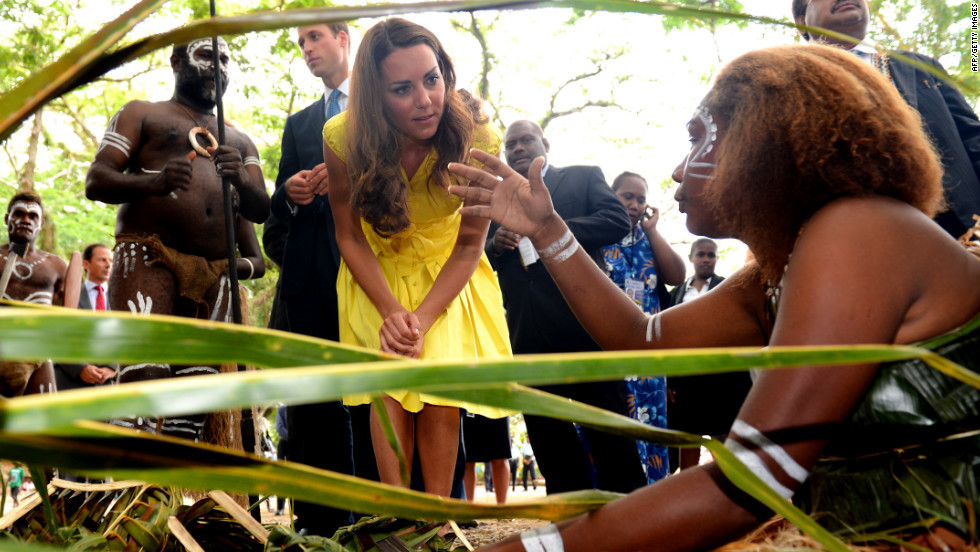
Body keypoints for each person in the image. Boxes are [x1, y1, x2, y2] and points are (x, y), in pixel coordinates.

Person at [449, 44, 980, 551]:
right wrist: (547, 231)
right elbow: (635, 337)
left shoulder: (858, 231)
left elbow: (746, 486)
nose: (678, 170)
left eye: (698, 137)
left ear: (767, 141)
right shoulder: (773, 274)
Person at [321, 18, 512, 504]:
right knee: (389, 387)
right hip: (375, 271)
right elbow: (349, 235)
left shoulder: (480, 139)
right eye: (402, 89)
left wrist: (422, 319)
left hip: (448, 271)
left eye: (433, 78)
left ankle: (439, 518)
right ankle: (398, 519)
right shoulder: (342, 137)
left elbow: (471, 244)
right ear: (375, 95)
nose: (425, 99)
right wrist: (390, 313)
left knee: (441, 390)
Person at [85, 37, 270, 440]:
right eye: (206, 55)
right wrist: (154, 182)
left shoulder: (239, 141)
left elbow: (260, 210)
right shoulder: (142, 113)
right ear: (176, 61)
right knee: (145, 376)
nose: (217, 67)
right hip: (150, 256)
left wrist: (240, 177)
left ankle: (167, 498)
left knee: (195, 393)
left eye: (224, 59)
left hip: (215, 274)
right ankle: (130, 496)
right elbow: (96, 180)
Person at [488, 119, 644, 496]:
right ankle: (569, 520)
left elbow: (616, 220)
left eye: (527, 140)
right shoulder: (497, 199)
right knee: (548, 436)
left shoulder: (581, 177)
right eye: (511, 145)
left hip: (584, 324)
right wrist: (496, 245)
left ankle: (631, 516)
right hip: (528, 333)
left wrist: (547, 227)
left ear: (546, 144)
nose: (519, 148)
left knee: (607, 428)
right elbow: (482, 259)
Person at [263, 21, 362, 536]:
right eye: (300, 42)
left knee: (371, 407)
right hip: (307, 298)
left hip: (373, 281)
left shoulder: (384, 108)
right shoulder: (299, 124)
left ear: (345, 38)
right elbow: (273, 229)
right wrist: (291, 195)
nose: (306, 49)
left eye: (315, 36)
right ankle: (320, 532)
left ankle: (376, 524)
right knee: (313, 416)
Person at [793, 0, 979, 240]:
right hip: (853, 240)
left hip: (961, 228)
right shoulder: (788, 85)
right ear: (801, 22)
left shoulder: (921, 66)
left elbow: (973, 138)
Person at [603, 171, 685, 483]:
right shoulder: (600, 236)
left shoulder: (649, 241)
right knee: (612, 422)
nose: (636, 205)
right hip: (609, 349)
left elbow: (677, 275)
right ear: (612, 197)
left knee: (652, 426)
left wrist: (652, 232)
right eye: (628, 197)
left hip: (648, 351)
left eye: (641, 199)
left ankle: (652, 495)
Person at [666, 238, 751, 471]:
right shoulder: (676, 294)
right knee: (687, 436)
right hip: (686, 377)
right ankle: (687, 488)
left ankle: (727, 489)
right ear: (691, 258)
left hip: (720, 378)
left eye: (711, 255)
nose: (706, 259)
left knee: (722, 437)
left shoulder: (728, 289)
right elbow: (669, 337)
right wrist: (669, 378)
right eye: (701, 254)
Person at [0, 192, 66, 397]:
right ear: (7, 219)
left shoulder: (57, 266)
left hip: (37, 350)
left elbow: (65, 311)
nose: (25, 220)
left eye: (33, 216)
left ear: (41, 223)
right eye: (19, 214)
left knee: (43, 422)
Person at [55, 243, 118, 391]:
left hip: (107, 386)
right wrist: (80, 368)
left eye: (111, 261)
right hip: (69, 384)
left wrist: (113, 367)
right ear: (86, 264)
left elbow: (128, 337)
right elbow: (56, 337)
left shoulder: (120, 300)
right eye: (102, 260)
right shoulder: (66, 295)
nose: (108, 265)